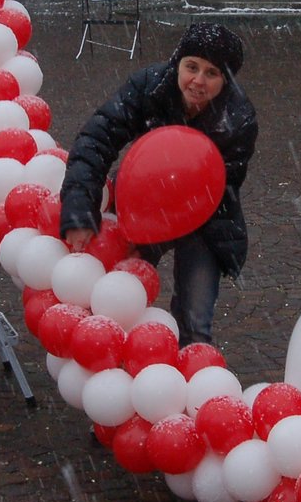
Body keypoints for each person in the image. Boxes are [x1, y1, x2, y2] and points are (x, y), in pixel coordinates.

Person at [60, 23, 259, 348]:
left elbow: (216, 191)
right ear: (177, 62)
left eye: (211, 73)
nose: (197, 80)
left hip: (208, 217)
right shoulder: (150, 87)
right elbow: (96, 140)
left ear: (225, 81)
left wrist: (151, 241)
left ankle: (188, 389)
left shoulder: (238, 120)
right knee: (113, 299)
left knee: (195, 323)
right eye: (191, 67)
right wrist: (80, 211)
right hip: (141, 199)